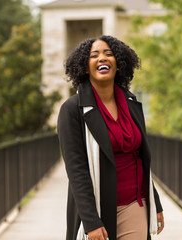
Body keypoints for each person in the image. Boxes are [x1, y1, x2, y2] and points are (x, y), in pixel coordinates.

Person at [57, 35, 164, 240]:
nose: (102, 58)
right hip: (97, 209)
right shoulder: (72, 110)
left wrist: (155, 203)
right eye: (94, 55)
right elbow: (76, 171)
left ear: (119, 64)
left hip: (135, 204)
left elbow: (141, 158)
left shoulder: (132, 104)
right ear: (85, 67)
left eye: (109, 54)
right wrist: (91, 222)